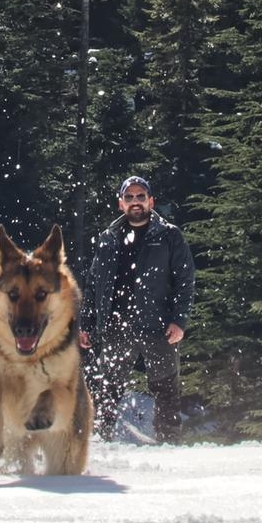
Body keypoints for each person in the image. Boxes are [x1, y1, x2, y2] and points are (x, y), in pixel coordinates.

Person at [79, 175, 195, 442]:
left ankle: (168, 444)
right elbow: (94, 283)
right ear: (121, 204)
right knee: (106, 387)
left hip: (158, 325)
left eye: (140, 196)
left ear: (150, 201)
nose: (135, 202)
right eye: (129, 197)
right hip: (116, 324)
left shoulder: (168, 235)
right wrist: (86, 324)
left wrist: (179, 320)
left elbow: (185, 281)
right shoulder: (109, 238)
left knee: (166, 387)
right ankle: (98, 441)